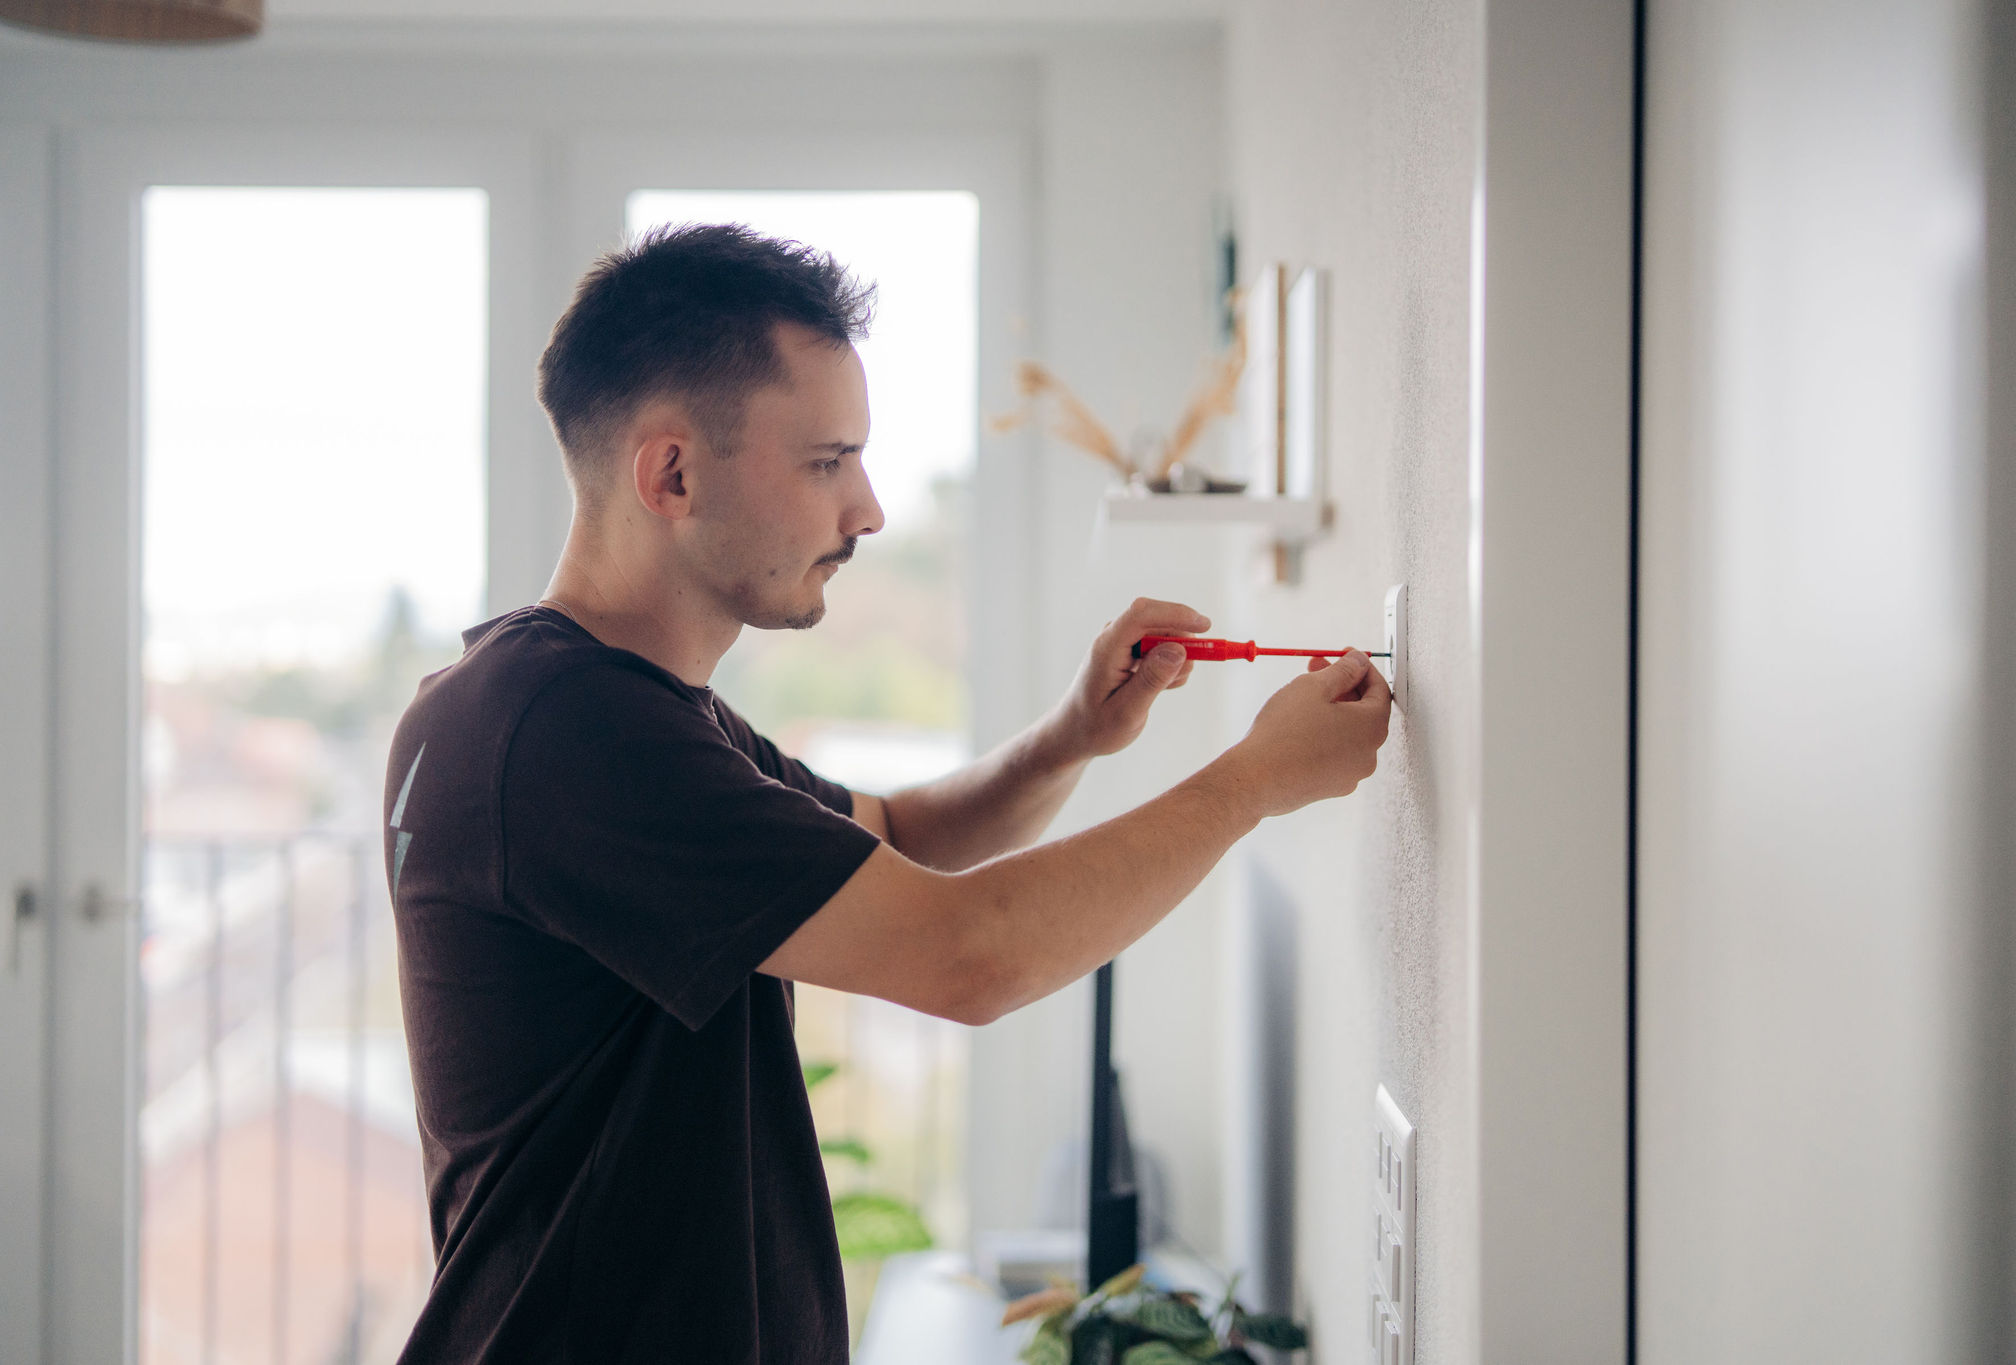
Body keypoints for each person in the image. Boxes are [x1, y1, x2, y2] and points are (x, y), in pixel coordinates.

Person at [384, 222, 1391, 1364]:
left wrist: (1071, 737)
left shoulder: (591, 708)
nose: (865, 511)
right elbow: (971, 955)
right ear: (669, 472)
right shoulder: (572, 731)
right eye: (827, 462)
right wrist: (1253, 781)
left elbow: (899, 837)